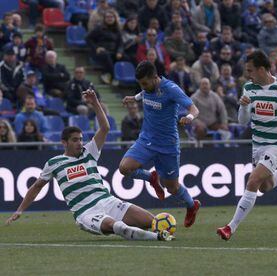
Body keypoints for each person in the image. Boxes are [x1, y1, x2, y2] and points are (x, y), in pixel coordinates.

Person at [6, 89, 174, 242]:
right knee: (117, 227)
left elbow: (105, 127)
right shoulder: (54, 163)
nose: (80, 143)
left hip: (108, 201)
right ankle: (158, 238)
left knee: (153, 221)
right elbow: (36, 187)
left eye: (80, 139)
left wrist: (95, 103)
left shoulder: (89, 152)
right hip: (86, 212)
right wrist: (20, 210)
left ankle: (159, 232)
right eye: (75, 140)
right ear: (64, 142)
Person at [216, 50, 277, 241]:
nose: (248, 75)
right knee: (265, 186)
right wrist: (244, 106)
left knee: (252, 181)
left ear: (263, 69)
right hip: (258, 145)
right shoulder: (249, 87)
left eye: (250, 70)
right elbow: (242, 121)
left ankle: (230, 227)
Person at [119, 61, 201, 228]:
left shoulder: (171, 89)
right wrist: (133, 97)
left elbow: (194, 109)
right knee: (124, 168)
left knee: (172, 187)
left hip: (167, 145)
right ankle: (151, 177)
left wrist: (189, 118)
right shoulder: (147, 88)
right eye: (140, 84)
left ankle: (192, 206)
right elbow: (145, 92)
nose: (143, 86)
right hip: (146, 140)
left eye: (144, 83)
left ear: (155, 78)